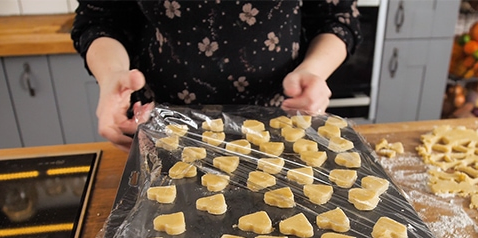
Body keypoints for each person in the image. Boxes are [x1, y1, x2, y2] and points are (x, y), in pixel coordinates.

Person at [71, 1, 362, 151]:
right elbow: (101, 20)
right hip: (165, 128)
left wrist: (314, 70)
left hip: (278, 127)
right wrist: (113, 75)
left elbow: (336, 18)